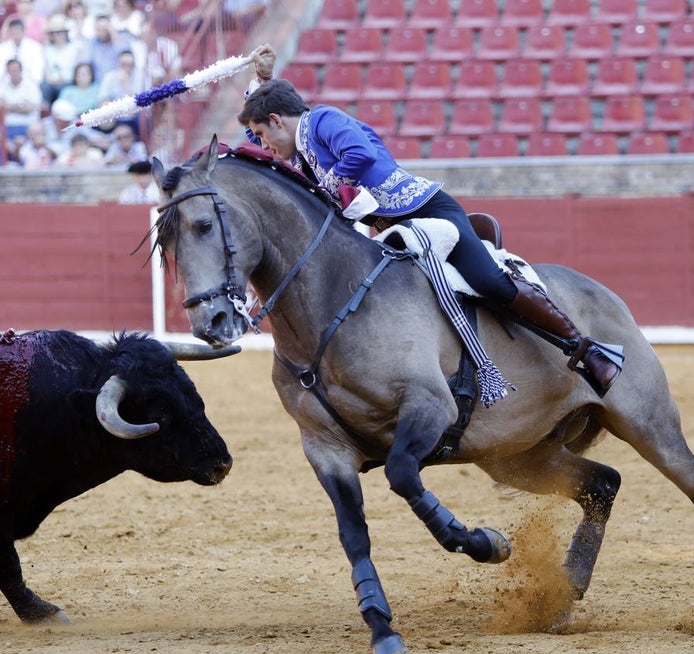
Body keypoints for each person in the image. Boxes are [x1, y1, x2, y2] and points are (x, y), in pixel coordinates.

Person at [236, 45, 621, 393]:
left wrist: (328, 187)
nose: (261, 144)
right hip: (394, 229)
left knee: (490, 283)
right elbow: (266, 134)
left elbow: (360, 155)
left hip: (429, 212)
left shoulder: (322, 121)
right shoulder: (300, 146)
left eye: (260, 133)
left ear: (277, 120)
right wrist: (263, 81)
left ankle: (585, 349)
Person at [0, 57, 42, 142]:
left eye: (16, 70)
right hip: (7, 126)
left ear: (21, 70)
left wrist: (8, 106)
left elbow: (30, 108)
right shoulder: (2, 84)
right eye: (11, 70)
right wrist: (21, 105)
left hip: (28, 125)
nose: (14, 73)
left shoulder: (31, 85)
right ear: (7, 71)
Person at [0, 17, 45, 86]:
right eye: (13, 30)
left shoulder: (35, 48)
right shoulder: (0, 49)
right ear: (9, 31)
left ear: (24, 30)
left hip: (29, 85)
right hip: (5, 86)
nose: (16, 32)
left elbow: (37, 74)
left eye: (18, 29)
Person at [40, 13, 78, 105]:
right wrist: (52, 79)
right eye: (54, 33)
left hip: (68, 81)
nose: (58, 35)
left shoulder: (74, 48)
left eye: (60, 32)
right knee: (45, 87)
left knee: (65, 89)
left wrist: (65, 78)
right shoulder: (46, 49)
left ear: (65, 33)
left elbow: (77, 69)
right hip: (51, 82)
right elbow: (46, 70)